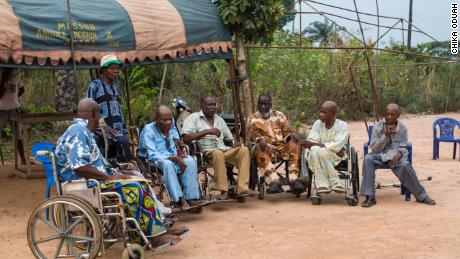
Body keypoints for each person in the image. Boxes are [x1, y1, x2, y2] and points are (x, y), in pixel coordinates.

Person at [54, 98, 186, 247]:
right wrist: (109, 177)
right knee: (134, 188)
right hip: (82, 183)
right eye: (99, 115)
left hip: (91, 180)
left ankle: (158, 227)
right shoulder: (78, 131)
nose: (100, 119)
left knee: (136, 177)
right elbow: (80, 167)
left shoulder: (82, 131)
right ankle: (151, 236)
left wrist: (117, 172)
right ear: (95, 113)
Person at [181, 96, 257, 200]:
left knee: (244, 150)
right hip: (206, 152)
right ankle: (223, 190)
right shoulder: (194, 118)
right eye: (209, 105)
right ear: (202, 106)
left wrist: (234, 143)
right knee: (217, 153)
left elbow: (229, 138)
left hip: (223, 149)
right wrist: (208, 131)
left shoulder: (219, 119)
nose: (213, 107)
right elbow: (185, 137)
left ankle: (242, 188)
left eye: (214, 105)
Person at [360, 103, 436, 207]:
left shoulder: (403, 128)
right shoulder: (377, 127)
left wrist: (399, 154)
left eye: (392, 114)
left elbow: (404, 146)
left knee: (405, 165)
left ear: (398, 115)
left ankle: (422, 196)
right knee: (368, 159)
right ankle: (370, 197)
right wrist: (385, 136)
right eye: (387, 114)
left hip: (396, 156)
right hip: (380, 155)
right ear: (384, 115)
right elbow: (374, 149)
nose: (389, 117)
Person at [139, 105, 205, 210]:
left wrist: (179, 146)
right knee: (168, 164)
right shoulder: (148, 130)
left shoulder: (172, 123)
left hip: (173, 156)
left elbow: (176, 139)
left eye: (170, 119)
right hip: (157, 159)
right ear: (156, 119)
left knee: (191, 160)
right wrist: (173, 158)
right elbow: (151, 154)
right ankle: (179, 199)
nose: (168, 122)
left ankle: (191, 197)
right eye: (164, 120)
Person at [247, 94, 303, 193]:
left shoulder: (279, 115)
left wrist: (291, 136)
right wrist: (260, 140)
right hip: (266, 148)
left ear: (270, 104)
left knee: (296, 144)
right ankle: (274, 182)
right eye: (260, 104)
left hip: (282, 146)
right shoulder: (252, 118)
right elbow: (253, 136)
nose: (263, 107)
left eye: (265, 104)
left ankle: (294, 180)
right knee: (259, 147)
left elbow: (287, 131)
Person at [86, 54, 132, 162]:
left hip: (117, 130)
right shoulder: (94, 86)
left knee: (120, 152)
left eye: (117, 68)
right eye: (112, 68)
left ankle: (124, 172)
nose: (116, 71)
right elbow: (88, 109)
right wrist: (102, 125)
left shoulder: (116, 87)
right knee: (120, 145)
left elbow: (119, 110)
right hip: (101, 131)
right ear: (104, 70)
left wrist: (124, 129)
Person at [300, 101, 349, 194]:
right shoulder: (317, 123)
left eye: (324, 113)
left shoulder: (342, 125)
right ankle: (334, 183)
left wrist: (315, 145)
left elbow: (336, 146)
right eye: (320, 112)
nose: (320, 115)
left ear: (333, 114)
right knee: (315, 150)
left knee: (318, 150)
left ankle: (323, 184)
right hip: (317, 155)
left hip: (336, 156)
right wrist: (312, 144)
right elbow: (312, 141)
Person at [0, 68, 27, 164]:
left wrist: (15, 97)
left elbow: (22, 89)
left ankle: (23, 160)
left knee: (18, 135)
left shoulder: (16, 77)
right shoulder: (1, 77)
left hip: (15, 109)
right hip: (2, 110)